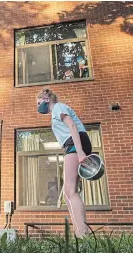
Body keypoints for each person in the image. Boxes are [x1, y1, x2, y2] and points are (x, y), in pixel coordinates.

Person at [36, 88, 92, 238]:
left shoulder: (58, 107)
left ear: (47, 98)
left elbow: (72, 126)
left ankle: (82, 233)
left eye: (39, 102)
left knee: (69, 191)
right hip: (73, 144)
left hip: (75, 143)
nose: (38, 106)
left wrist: (79, 151)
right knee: (69, 192)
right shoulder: (56, 111)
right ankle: (80, 231)